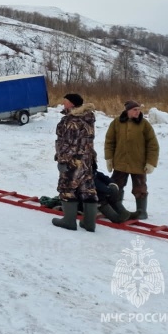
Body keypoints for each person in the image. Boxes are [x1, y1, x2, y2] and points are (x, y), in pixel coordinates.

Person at [104, 100, 159, 221]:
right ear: (128, 111)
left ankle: (142, 211)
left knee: (140, 188)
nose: (138, 112)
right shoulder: (116, 123)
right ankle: (117, 209)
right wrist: (109, 158)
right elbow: (109, 141)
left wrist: (151, 162)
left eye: (139, 110)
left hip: (138, 163)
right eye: (135, 110)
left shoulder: (144, 124)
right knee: (116, 187)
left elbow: (153, 144)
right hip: (120, 163)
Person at [52, 93, 98, 231]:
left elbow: (68, 144)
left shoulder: (71, 121)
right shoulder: (87, 118)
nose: (63, 104)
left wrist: (62, 160)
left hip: (73, 161)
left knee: (67, 188)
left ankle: (69, 221)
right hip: (87, 160)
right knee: (88, 189)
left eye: (65, 101)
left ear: (72, 104)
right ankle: (89, 223)